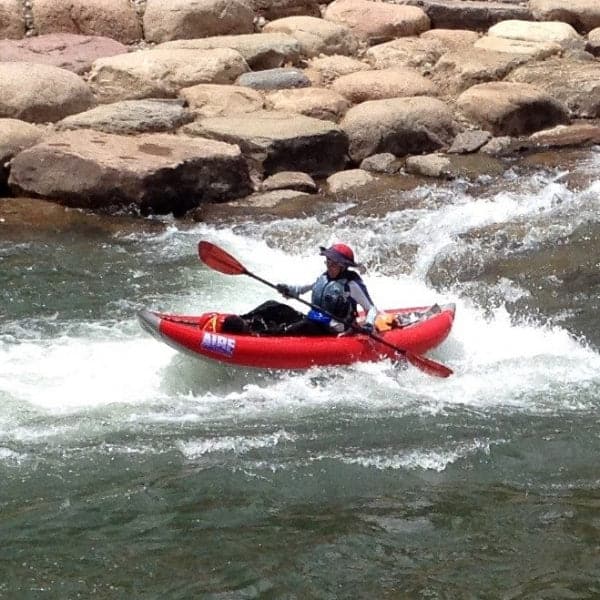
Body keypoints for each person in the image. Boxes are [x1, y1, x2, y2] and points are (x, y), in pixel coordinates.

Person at [221, 243, 378, 336]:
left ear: (343, 266)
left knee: (301, 326)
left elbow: (371, 308)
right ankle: (243, 321)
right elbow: (302, 290)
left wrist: (369, 325)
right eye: (328, 262)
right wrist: (288, 289)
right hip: (314, 319)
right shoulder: (324, 277)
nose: (329, 266)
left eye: (333, 264)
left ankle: (259, 336)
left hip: (332, 328)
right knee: (273, 306)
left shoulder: (351, 284)